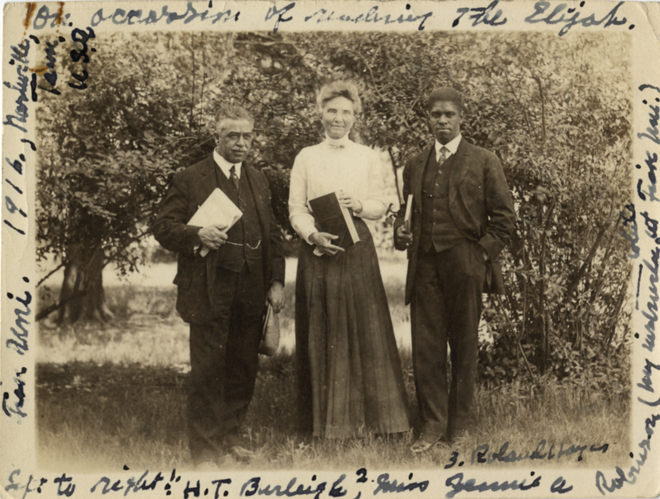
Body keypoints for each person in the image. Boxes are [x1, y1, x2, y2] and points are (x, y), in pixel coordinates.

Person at [152, 104, 285, 466]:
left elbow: (272, 234)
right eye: (233, 136)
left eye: (247, 136)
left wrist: (275, 280)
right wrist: (198, 234)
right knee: (209, 368)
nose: (241, 143)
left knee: (243, 366)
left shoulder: (258, 179)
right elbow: (163, 227)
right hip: (209, 288)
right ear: (217, 137)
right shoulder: (191, 178)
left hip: (252, 288)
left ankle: (231, 438)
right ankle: (205, 451)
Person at [394, 87, 515, 453]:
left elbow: (505, 220)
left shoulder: (483, 160)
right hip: (425, 264)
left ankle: (458, 426)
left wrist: (479, 255)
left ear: (462, 118)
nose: (442, 121)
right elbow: (408, 216)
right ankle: (432, 425)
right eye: (435, 115)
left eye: (449, 114)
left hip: (466, 263)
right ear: (427, 119)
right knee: (426, 348)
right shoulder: (415, 163)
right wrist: (401, 232)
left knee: (463, 344)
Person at [289, 81, 410, 439]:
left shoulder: (367, 156)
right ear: (320, 113)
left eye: (346, 112)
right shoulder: (306, 156)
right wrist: (312, 235)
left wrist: (359, 205)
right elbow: (296, 208)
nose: (338, 118)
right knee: (322, 331)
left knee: (365, 330)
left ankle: (375, 422)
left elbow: (381, 203)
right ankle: (325, 424)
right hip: (318, 251)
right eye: (332, 111)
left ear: (355, 116)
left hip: (357, 251)